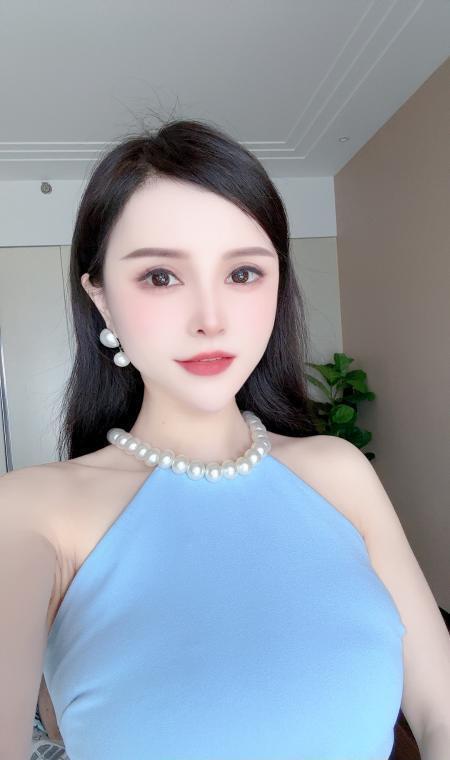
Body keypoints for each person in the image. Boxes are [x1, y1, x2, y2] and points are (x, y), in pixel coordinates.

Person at [1, 118, 449, 760]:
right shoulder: (30, 511)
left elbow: (439, 709)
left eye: (243, 274)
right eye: (160, 276)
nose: (211, 319)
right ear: (101, 298)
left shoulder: (338, 471)